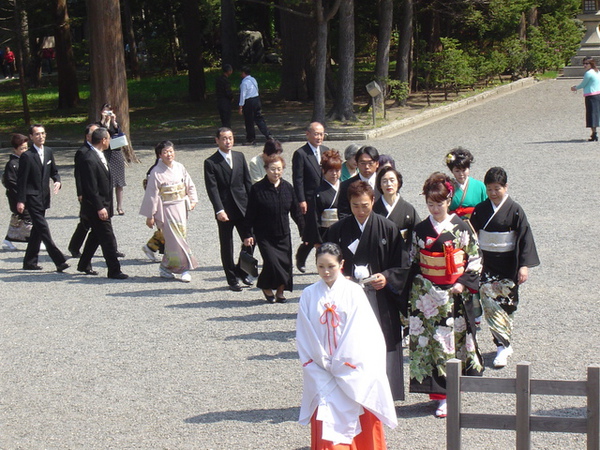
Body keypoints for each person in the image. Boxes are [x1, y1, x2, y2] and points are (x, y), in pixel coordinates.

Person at [296, 243, 398, 447]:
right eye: (320, 266)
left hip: (353, 367)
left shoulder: (354, 292)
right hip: (321, 367)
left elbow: (361, 332)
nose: (326, 271)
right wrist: (321, 362)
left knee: (359, 416)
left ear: (341, 264)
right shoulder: (309, 294)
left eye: (331, 266)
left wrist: (343, 362)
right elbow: (305, 334)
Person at [408, 172, 483, 418]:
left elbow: (474, 259)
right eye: (430, 204)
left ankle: (450, 394)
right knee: (431, 345)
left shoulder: (461, 227)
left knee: (450, 344)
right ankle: (438, 395)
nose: (435, 208)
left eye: (439, 204)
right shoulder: (420, 229)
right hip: (427, 296)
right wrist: (423, 286)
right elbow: (412, 262)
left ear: (448, 200)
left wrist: (461, 283)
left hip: (454, 295)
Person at [325, 181, 409, 401]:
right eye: (355, 206)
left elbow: (402, 264)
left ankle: (385, 393)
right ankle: (351, 392)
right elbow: (327, 262)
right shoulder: (338, 230)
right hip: (349, 297)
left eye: (364, 205)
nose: (360, 211)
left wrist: (387, 276)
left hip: (381, 297)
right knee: (350, 343)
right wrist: (340, 278)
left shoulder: (388, 228)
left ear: (373, 201)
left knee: (383, 340)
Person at [470, 167, 539, 368]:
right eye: (489, 189)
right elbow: (472, 233)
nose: (493, 193)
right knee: (490, 303)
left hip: (509, 264)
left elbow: (525, 238)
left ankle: (505, 342)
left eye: (497, 188)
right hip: (486, 265)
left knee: (507, 305)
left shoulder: (515, 209)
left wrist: (524, 266)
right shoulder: (481, 209)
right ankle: (501, 345)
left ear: (505, 187)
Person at [243, 155, 303, 302]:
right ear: (266, 169)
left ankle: (280, 292)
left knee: (285, 264)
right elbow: (250, 214)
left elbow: (296, 212)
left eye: (279, 169)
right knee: (271, 263)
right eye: (273, 169)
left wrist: (304, 230)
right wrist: (247, 234)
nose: (276, 172)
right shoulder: (257, 189)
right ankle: (265, 286)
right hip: (264, 235)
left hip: (283, 234)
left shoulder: (288, 187)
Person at [204, 127, 254, 291]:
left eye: (230, 138)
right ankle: (231, 278)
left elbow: (247, 182)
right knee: (227, 244)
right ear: (217, 140)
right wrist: (219, 210)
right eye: (224, 138)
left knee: (251, 239)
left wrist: (254, 203)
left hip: (243, 206)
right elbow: (212, 189)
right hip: (225, 209)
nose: (228, 141)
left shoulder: (239, 156)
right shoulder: (211, 162)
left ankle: (242, 270)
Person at [140, 141, 198, 282]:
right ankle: (183, 269)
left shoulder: (180, 167)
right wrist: (150, 215)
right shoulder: (156, 172)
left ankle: (165, 267)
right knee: (175, 240)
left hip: (181, 206)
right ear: (160, 155)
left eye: (171, 151)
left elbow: (188, 183)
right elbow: (152, 195)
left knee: (181, 236)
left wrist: (192, 198)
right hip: (166, 208)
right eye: (165, 152)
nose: (169, 154)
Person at [77, 128, 128, 279]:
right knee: (107, 237)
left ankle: (83, 263)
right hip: (96, 206)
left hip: (105, 203)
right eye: (109, 139)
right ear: (104, 140)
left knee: (96, 235)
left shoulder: (101, 154)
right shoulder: (89, 158)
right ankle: (114, 269)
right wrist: (99, 207)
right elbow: (91, 187)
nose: (110, 141)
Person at [16, 124, 69, 272]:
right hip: (31, 197)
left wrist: (57, 181)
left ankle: (29, 262)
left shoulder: (48, 151)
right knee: (43, 229)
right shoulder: (27, 156)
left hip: (44, 197)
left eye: (43, 133)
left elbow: (54, 172)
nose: (41, 136)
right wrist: (21, 200)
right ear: (31, 137)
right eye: (37, 134)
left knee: (37, 231)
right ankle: (59, 260)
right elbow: (22, 180)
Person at [292, 122, 329, 272]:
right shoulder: (301, 153)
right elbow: (298, 179)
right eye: (316, 134)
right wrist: (301, 200)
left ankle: (320, 261)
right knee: (311, 231)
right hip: (309, 198)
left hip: (325, 197)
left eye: (321, 134)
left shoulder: (326, 151)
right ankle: (302, 256)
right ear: (308, 134)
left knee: (324, 230)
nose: (319, 137)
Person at [2, 134, 32, 250]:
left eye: (26, 148)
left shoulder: (25, 160)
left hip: (26, 193)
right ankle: (37, 239)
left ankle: (9, 238)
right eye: (22, 149)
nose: (25, 151)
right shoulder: (12, 164)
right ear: (14, 149)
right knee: (28, 218)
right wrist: (21, 197)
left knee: (19, 219)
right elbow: (11, 183)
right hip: (17, 196)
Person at [98, 102, 127, 215]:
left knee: (119, 182)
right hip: (105, 153)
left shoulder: (115, 124)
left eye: (110, 111)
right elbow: (101, 133)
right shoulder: (99, 124)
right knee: (106, 181)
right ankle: (107, 205)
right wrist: (105, 121)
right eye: (106, 111)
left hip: (116, 153)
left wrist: (114, 122)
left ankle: (120, 207)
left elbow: (120, 134)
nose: (108, 113)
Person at [337, 145, 381, 220]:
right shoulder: (346, 185)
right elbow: (343, 213)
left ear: (377, 164)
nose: (366, 166)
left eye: (370, 163)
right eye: (362, 163)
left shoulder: (383, 184)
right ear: (357, 164)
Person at [445, 147, 487, 219]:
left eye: (464, 170)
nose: (461, 174)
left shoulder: (480, 186)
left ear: (469, 168)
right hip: (454, 223)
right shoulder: (447, 187)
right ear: (452, 171)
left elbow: (487, 207)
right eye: (457, 171)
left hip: (476, 222)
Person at [311, 149, 342, 244]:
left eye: (337, 170)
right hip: (325, 233)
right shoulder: (319, 193)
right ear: (323, 171)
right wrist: (317, 241)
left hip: (343, 232)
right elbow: (314, 218)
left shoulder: (345, 188)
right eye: (331, 170)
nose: (334, 174)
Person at [238, 66, 271, 145]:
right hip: (256, 99)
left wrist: (240, 106)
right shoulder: (253, 80)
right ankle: (268, 134)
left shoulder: (244, 83)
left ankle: (251, 138)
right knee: (259, 118)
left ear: (243, 73)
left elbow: (243, 95)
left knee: (249, 121)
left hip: (249, 101)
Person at [571, 57, 600, 141]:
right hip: (598, 94)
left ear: (591, 64)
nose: (585, 65)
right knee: (596, 113)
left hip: (591, 95)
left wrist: (575, 88)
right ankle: (594, 133)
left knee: (591, 114)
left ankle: (594, 133)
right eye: (584, 63)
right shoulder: (597, 72)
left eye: (587, 63)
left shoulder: (588, 73)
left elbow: (583, 84)